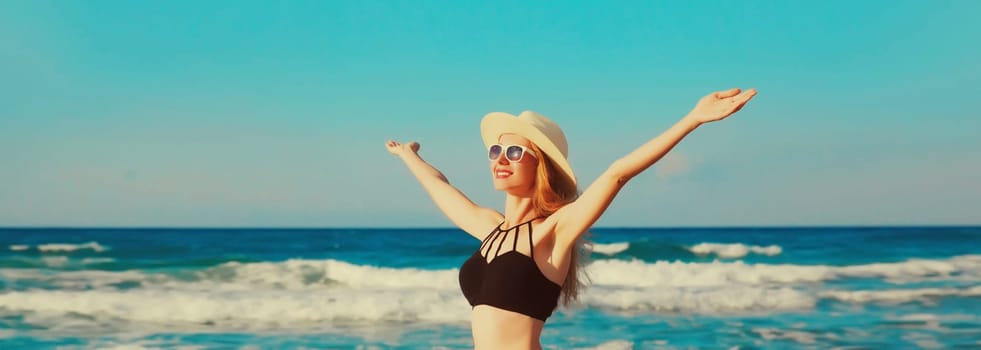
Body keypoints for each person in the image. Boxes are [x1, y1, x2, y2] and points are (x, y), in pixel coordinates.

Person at [385, 88, 757, 349]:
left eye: (514, 151)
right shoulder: (490, 229)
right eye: (495, 149)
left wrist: (693, 119)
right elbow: (439, 187)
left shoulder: (554, 231)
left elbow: (617, 174)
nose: (499, 158)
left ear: (540, 164)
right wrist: (408, 155)